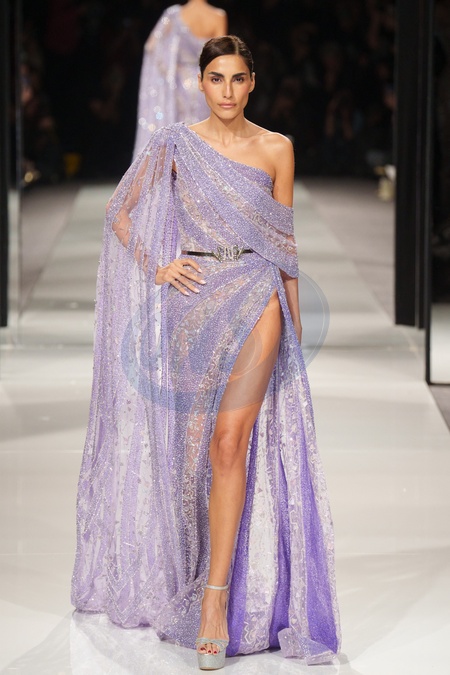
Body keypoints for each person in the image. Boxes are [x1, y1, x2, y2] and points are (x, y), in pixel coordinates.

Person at [71, 36, 340, 670]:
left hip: (257, 295)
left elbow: (285, 247)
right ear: (200, 83)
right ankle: (200, 575)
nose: (226, 90)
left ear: (253, 84)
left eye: (237, 78)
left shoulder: (276, 149)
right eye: (215, 78)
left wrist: (294, 326)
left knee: (227, 443)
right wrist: (158, 266)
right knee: (192, 456)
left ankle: (215, 604)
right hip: (192, 305)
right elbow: (119, 211)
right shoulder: (174, 145)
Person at [133, 1, 227, 159]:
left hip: (179, 83)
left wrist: (168, 69)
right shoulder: (218, 16)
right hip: (205, 84)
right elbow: (220, 57)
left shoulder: (174, 15)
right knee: (204, 136)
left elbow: (151, 46)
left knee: (179, 135)